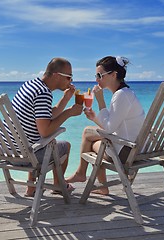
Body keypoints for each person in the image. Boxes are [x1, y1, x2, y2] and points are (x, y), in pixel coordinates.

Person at [66, 56, 145, 195]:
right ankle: (88, 178)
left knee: (90, 142)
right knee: (87, 132)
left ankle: (85, 176)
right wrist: (94, 118)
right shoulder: (127, 93)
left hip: (126, 152)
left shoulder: (121, 95)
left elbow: (109, 128)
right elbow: (113, 124)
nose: (96, 79)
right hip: (136, 147)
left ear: (113, 75)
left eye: (99, 75)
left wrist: (100, 100)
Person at [11, 57, 83, 197]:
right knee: (63, 146)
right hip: (25, 156)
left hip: (6, 151)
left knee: (36, 141)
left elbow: (47, 116)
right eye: (69, 77)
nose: (71, 81)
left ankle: (31, 188)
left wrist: (66, 98)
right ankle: (58, 186)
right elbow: (45, 131)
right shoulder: (43, 93)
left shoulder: (30, 85)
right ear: (56, 75)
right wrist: (69, 113)